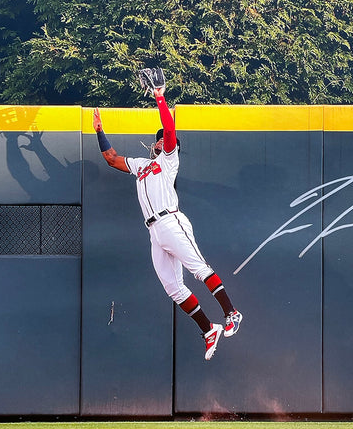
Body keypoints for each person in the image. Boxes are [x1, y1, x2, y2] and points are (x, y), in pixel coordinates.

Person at [92, 86, 242, 360]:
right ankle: (209, 330)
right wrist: (100, 131)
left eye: (164, 139)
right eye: (158, 139)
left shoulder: (169, 160)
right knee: (173, 288)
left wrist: (159, 97)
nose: (160, 141)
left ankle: (231, 312)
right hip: (154, 231)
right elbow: (111, 159)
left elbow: (169, 130)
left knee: (198, 269)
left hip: (171, 220)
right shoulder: (140, 164)